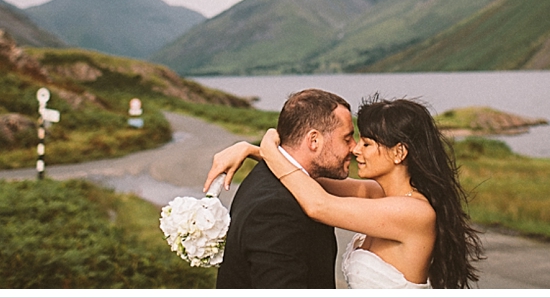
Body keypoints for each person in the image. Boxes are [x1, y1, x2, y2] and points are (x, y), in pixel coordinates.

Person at [205, 95, 483, 289]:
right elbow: (305, 178)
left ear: (399, 152)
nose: (355, 149)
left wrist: (267, 143)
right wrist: (250, 150)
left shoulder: (415, 213)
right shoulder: (378, 194)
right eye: (353, 139)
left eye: (367, 143)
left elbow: (318, 205)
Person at [212, 88, 356, 289]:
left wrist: (257, 148)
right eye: (347, 138)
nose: (355, 147)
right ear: (314, 140)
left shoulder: (271, 175)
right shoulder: (275, 209)